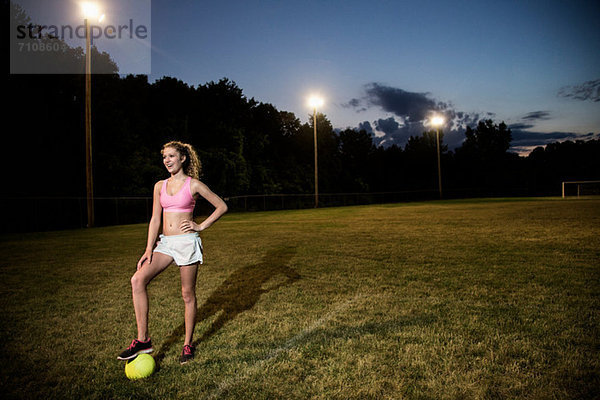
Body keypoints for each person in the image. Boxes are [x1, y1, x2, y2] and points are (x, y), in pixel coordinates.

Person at [117, 141, 228, 365]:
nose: (167, 160)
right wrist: (149, 249)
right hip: (165, 243)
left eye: (171, 156)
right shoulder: (159, 186)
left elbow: (221, 206)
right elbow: (155, 219)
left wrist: (201, 226)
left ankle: (187, 344)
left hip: (187, 242)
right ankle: (143, 340)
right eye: (164, 157)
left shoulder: (193, 185)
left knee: (187, 294)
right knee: (137, 279)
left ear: (183, 158)